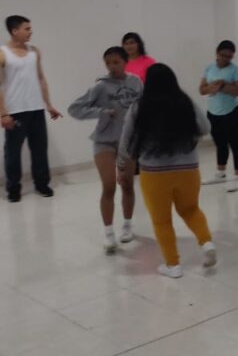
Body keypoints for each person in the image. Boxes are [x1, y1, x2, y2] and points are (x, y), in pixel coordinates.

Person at [119, 63, 216, 278]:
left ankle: (173, 265)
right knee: (191, 209)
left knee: (161, 220)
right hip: (188, 169)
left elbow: (125, 142)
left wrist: (123, 164)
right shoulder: (185, 102)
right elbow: (206, 128)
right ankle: (206, 242)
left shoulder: (139, 107)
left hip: (154, 173)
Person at [68, 46, 143, 253]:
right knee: (109, 185)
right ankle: (109, 233)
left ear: (126, 62)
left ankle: (127, 226)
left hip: (128, 142)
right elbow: (75, 108)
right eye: (108, 63)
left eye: (116, 62)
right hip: (104, 142)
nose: (112, 66)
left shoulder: (136, 82)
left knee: (127, 185)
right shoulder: (101, 86)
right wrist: (102, 111)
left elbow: (144, 106)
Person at [1, 15, 62, 202]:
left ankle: (42, 184)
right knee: (13, 152)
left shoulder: (34, 52)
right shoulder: (3, 53)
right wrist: (3, 113)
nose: (30, 32)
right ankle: (13, 189)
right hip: (15, 111)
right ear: (14, 31)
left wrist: (48, 104)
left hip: (36, 109)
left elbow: (41, 78)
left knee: (39, 149)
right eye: (26, 28)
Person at [199, 40, 238, 191]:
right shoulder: (209, 68)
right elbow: (202, 89)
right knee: (220, 143)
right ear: (217, 53)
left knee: (235, 143)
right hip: (213, 112)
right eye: (223, 55)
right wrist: (213, 86)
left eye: (229, 56)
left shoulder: (236, 70)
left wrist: (223, 85)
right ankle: (221, 172)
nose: (226, 59)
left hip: (232, 111)